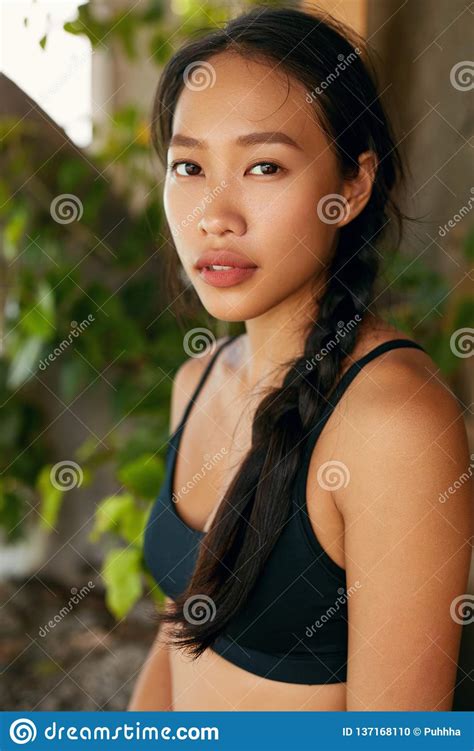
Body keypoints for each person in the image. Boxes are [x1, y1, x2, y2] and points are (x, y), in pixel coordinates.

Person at [128, 5, 472, 711]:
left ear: (351, 186)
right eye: (189, 165)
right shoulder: (199, 379)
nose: (214, 215)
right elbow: (178, 641)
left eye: (263, 165)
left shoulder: (391, 423)